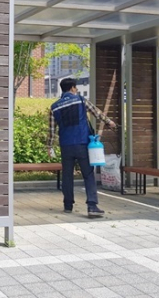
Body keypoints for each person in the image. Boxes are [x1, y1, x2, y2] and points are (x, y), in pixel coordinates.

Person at [47, 78, 117, 217]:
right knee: (88, 174)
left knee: (67, 175)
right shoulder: (80, 100)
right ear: (72, 88)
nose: (77, 90)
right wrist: (110, 122)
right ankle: (92, 206)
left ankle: (68, 205)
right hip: (82, 144)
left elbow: (52, 130)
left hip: (66, 145)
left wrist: (49, 146)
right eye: (76, 88)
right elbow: (97, 113)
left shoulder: (54, 107)